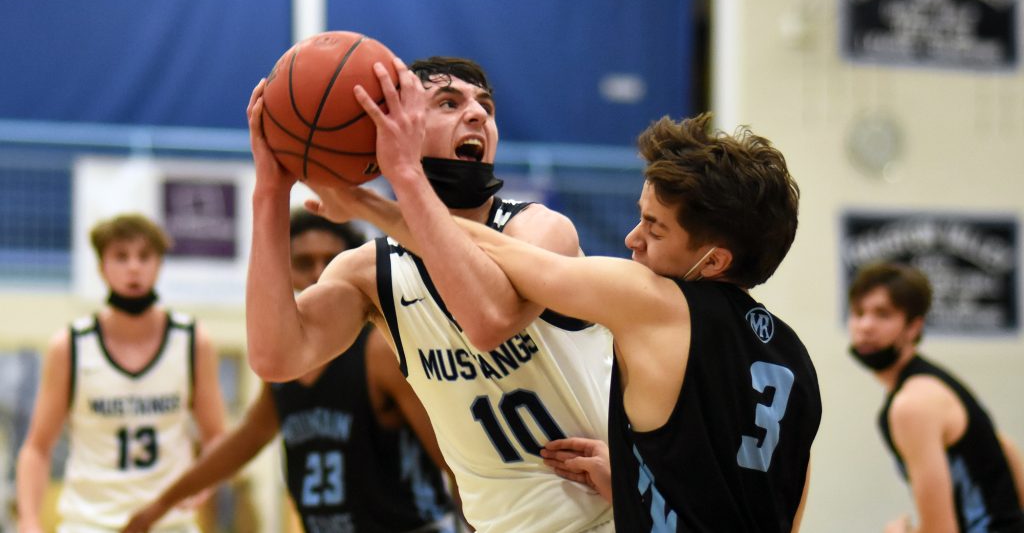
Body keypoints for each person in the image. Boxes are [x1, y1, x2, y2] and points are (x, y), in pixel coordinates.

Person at [245, 56, 614, 532]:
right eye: (448, 102)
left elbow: (490, 320)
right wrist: (270, 193)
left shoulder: (539, 229)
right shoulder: (371, 271)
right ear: (398, 126)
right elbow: (275, 357)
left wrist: (390, 187)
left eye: (486, 105)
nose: (479, 114)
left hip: (607, 519)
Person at [434, 112, 822, 531]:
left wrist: (400, 195)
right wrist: (631, 484)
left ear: (714, 261)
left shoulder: (658, 303)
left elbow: (511, 259)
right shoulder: (796, 359)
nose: (632, 239)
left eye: (654, 230)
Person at [121, 210, 457, 533]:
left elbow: (454, 456)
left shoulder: (378, 350)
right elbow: (247, 438)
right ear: (286, 272)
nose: (319, 273)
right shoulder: (286, 360)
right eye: (303, 262)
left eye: (331, 261)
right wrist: (162, 503)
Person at [16, 213, 226, 533]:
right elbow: (37, 447)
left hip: (170, 522)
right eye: (121, 256)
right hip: (89, 521)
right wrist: (29, 520)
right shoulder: (70, 346)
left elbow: (216, 437)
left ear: (159, 265)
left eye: (144, 256)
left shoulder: (191, 340)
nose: (133, 267)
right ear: (102, 267)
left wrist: (206, 481)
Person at [847, 262, 1024, 533]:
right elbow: (1005, 448)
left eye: (883, 314)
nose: (866, 325)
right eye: (859, 313)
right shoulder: (932, 384)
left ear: (913, 326)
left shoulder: (912, 404)